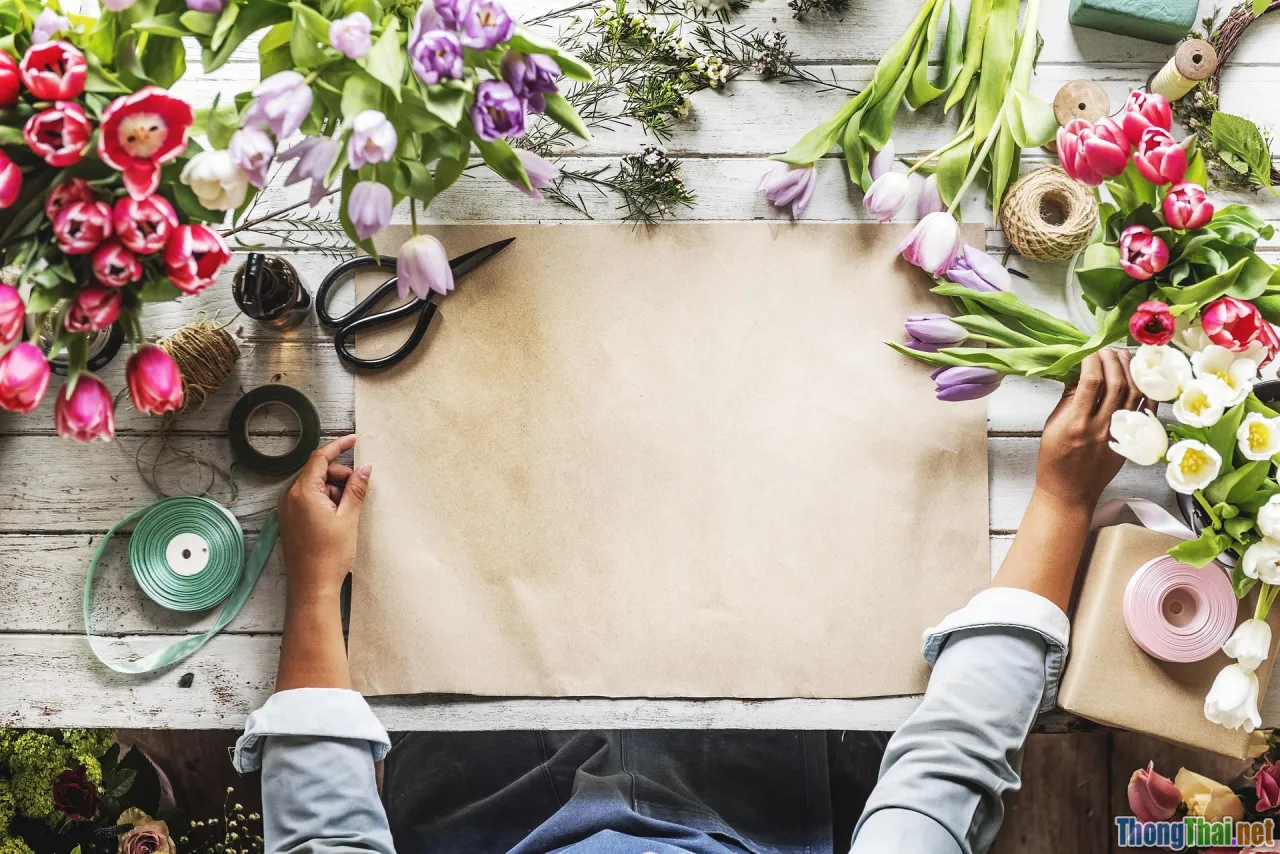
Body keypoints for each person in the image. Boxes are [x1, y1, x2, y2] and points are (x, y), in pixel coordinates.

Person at [234, 349, 1147, 854]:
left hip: (486, 792)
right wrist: (1061, 502)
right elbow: (949, 766)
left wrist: (315, 587)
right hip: (766, 786)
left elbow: (320, 836)